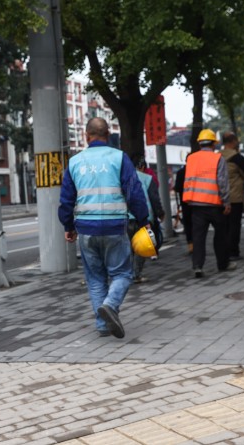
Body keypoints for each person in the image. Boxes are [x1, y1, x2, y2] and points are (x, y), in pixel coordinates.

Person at [58, 118, 149, 339]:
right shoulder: (119, 158)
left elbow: (67, 200)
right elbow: (133, 191)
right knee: (123, 273)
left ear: (86, 136)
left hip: (86, 229)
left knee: (95, 277)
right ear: (108, 135)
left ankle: (102, 325)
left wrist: (68, 226)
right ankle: (110, 304)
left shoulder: (75, 162)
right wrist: (143, 218)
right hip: (115, 226)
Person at [183, 129, 233, 278]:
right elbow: (222, 182)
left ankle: (198, 266)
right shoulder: (218, 159)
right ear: (213, 144)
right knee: (220, 235)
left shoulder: (191, 158)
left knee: (198, 237)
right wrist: (227, 202)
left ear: (199, 144)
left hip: (196, 205)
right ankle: (222, 264)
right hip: (215, 204)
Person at [220, 131, 244, 261]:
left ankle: (223, 251)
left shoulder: (217, 158)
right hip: (234, 197)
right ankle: (233, 252)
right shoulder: (237, 158)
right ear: (233, 141)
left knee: (223, 226)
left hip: (218, 198)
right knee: (234, 225)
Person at [132, 158, 165, 283]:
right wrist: (160, 213)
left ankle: (127, 274)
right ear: (142, 167)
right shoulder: (147, 178)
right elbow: (154, 199)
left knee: (128, 247)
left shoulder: (122, 179)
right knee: (141, 246)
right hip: (144, 218)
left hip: (126, 218)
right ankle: (136, 274)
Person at [172, 155, 193, 254]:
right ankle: (197, 243)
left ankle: (190, 245)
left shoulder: (180, 173)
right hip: (196, 203)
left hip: (185, 202)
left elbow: (177, 188)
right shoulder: (195, 172)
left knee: (188, 224)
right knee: (197, 224)